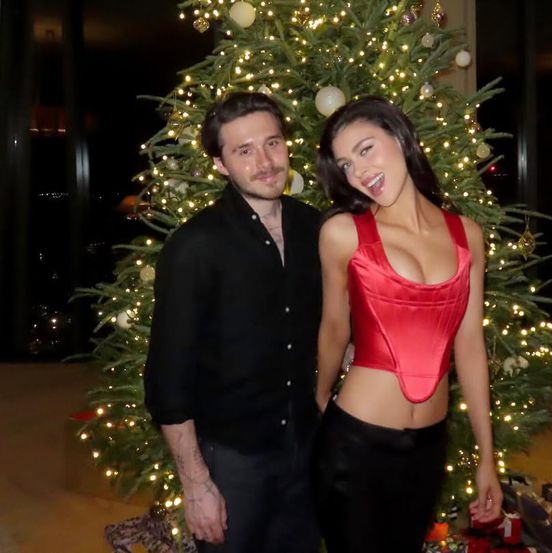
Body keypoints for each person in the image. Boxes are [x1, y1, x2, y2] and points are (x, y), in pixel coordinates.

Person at [312, 96, 503, 553]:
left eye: (366, 149)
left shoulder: (467, 235)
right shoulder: (343, 233)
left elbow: (470, 345)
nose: (359, 172)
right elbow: (334, 330)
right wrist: (319, 398)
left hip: (428, 447)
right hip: (355, 442)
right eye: (346, 164)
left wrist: (487, 457)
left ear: (401, 138)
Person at [144, 92, 322, 553]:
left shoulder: (315, 228)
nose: (265, 162)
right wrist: (196, 484)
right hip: (231, 460)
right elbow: (168, 379)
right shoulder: (194, 247)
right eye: (244, 151)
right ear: (220, 164)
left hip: (306, 448)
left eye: (272, 143)